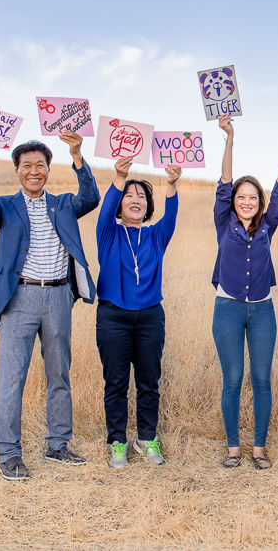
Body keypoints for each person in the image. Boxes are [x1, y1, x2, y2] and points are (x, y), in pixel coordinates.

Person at [0, 132, 100, 481]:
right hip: (19, 299)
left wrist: (77, 156)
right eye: (26, 165)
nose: (33, 171)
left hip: (59, 297)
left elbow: (91, 197)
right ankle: (9, 454)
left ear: (47, 169)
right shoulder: (6, 206)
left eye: (39, 165)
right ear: (17, 170)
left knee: (59, 374)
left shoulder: (64, 204)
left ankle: (58, 445)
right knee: (12, 377)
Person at [212, 115, 278, 469]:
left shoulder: (267, 225)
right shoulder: (224, 223)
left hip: (263, 310)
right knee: (233, 379)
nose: (246, 201)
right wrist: (229, 139)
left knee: (262, 379)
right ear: (233, 201)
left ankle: (259, 449)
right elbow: (223, 182)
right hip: (228, 309)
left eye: (253, 197)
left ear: (259, 202)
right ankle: (234, 448)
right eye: (241, 196)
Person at [95, 157, 182, 468]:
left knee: (149, 381)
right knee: (115, 382)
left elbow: (171, 214)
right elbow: (105, 209)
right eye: (129, 195)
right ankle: (117, 442)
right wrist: (120, 177)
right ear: (121, 204)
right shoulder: (109, 233)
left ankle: (146, 438)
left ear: (148, 206)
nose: (135, 200)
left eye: (142, 196)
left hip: (149, 318)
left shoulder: (157, 236)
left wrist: (171, 184)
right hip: (112, 317)